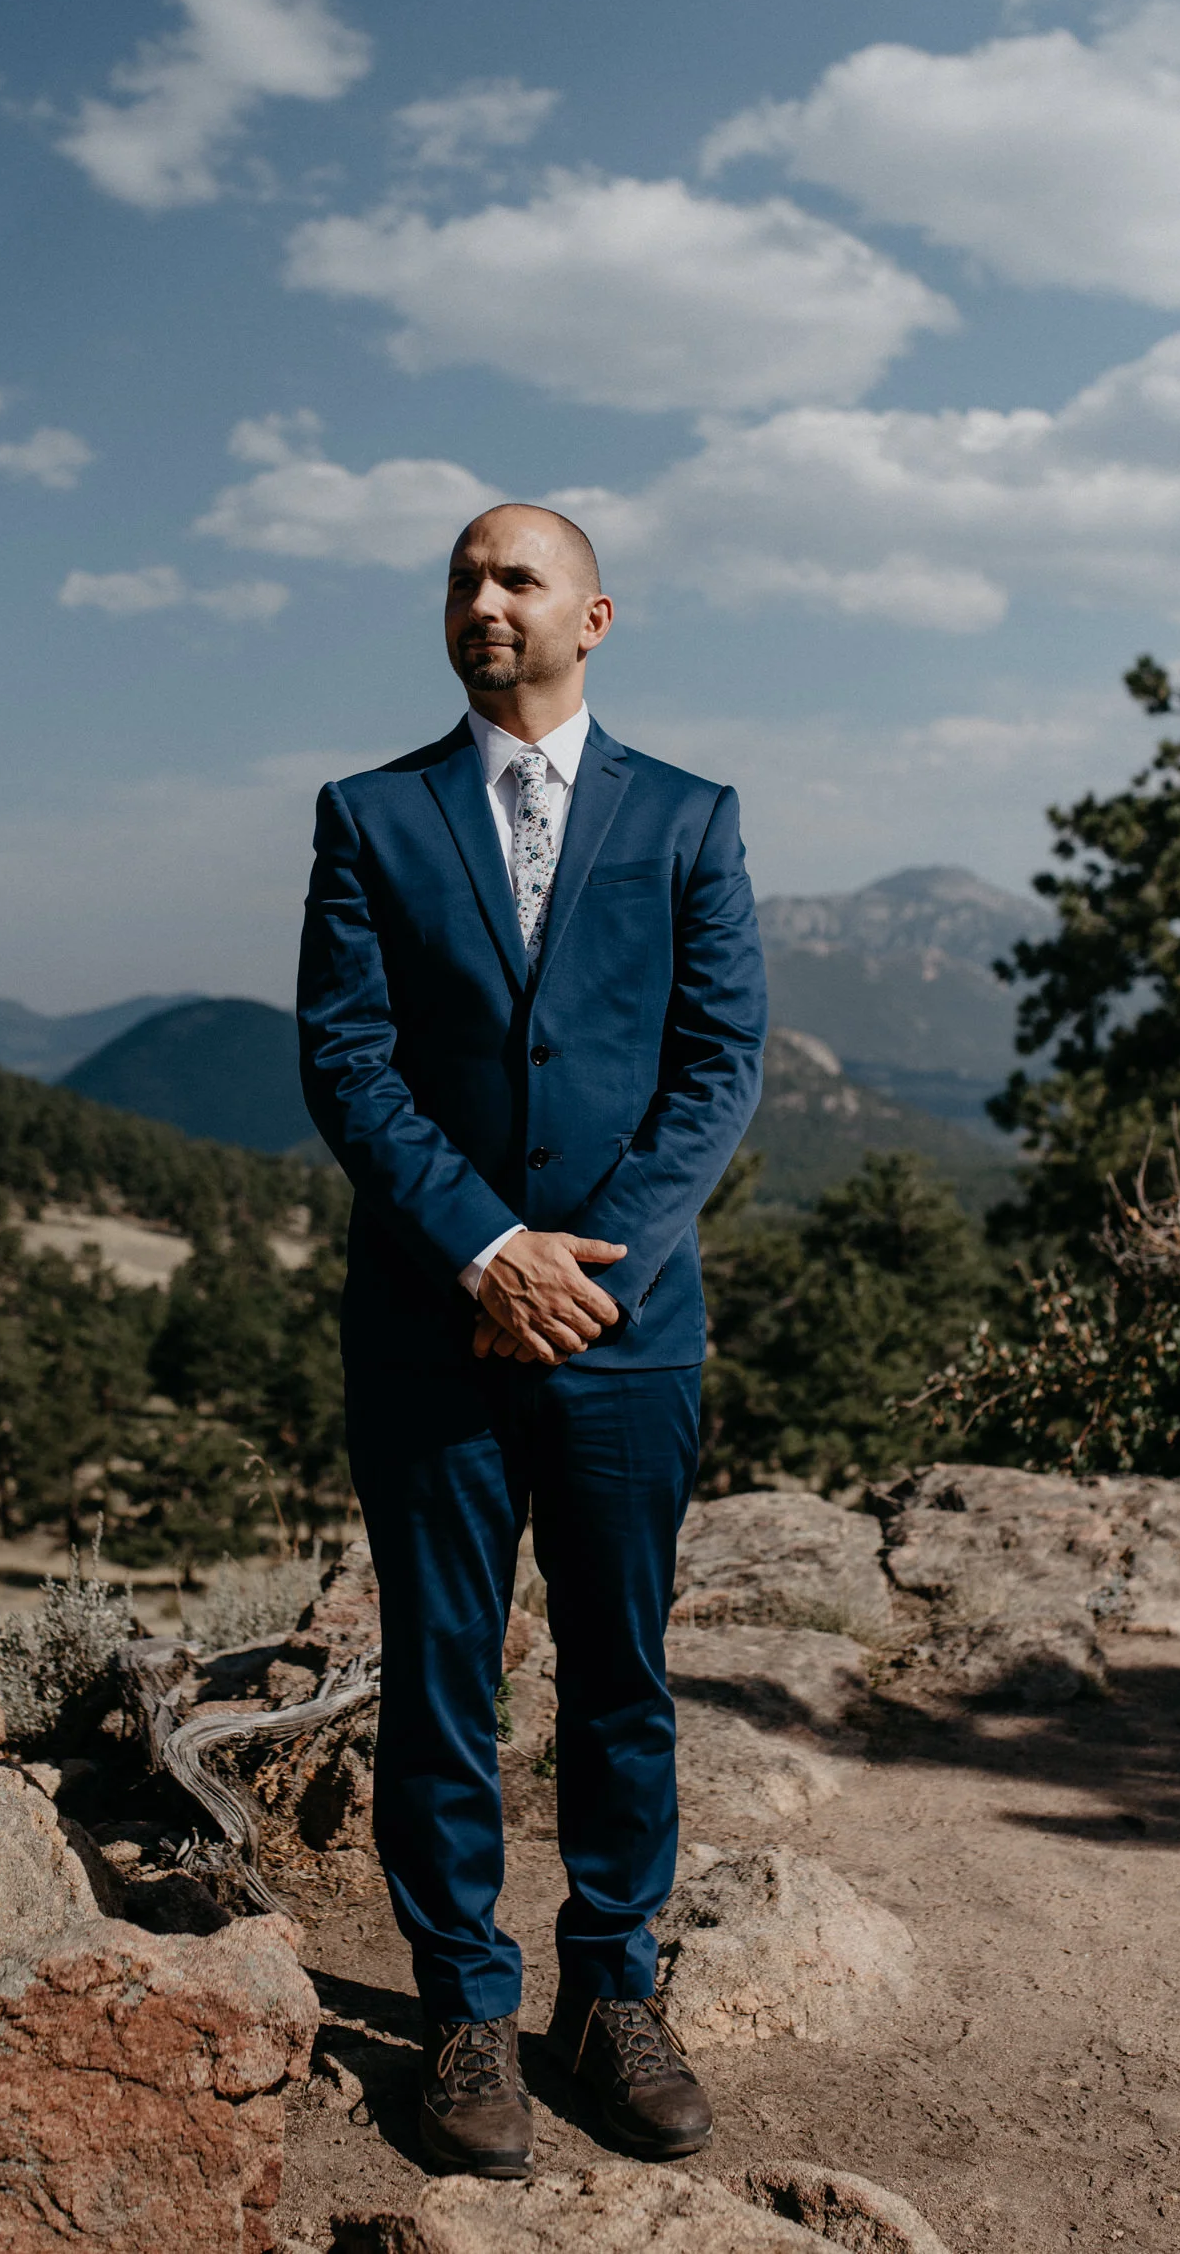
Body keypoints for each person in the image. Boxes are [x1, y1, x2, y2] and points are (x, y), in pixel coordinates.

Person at [296, 503, 767, 2177]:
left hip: (628, 1335)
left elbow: (718, 1066)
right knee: (438, 1678)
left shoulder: (691, 819)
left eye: (515, 579)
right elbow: (349, 1066)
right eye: (461, 578)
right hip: (432, 1324)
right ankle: (464, 2009)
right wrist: (487, 1253)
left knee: (619, 1677)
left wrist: (589, 1268)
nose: (481, 601)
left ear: (595, 615)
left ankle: (612, 1990)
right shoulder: (370, 817)